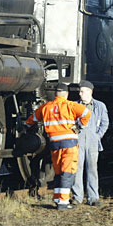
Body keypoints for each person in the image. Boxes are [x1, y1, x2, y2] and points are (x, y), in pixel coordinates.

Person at [26, 82, 91, 210]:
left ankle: (57, 198)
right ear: (66, 94)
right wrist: (79, 126)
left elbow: (32, 119)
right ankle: (63, 202)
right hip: (69, 143)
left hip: (55, 144)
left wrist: (26, 127)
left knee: (59, 171)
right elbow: (86, 113)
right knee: (68, 172)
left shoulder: (46, 107)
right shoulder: (71, 105)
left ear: (55, 94)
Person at [71, 80, 109, 207]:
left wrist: (97, 136)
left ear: (89, 92)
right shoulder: (75, 105)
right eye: (80, 92)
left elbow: (105, 123)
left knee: (92, 170)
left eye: (82, 91)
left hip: (93, 142)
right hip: (78, 141)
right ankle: (77, 197)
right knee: (77, 169)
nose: (80, 94)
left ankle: (93, 197)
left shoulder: (100, 106)